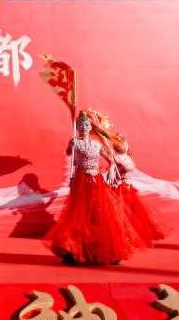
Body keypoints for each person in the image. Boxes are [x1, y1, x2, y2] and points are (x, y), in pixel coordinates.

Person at [42, 111, 146, 265]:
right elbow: (69, 153)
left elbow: (111, 160)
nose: (83, 127)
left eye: (86, 125)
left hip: (96, 181)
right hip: (81, 181)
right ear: (77, 127)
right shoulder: (75, 142)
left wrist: (111, 170)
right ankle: (70, 251)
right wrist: (71, 145)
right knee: (78, 217)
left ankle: (110, 251)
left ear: (91, 127)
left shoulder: (97, 144)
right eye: (80, 125)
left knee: (102, 214)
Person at [111, 137, 168, 246]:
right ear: (117, 146)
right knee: (122, 213)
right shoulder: (116, 157)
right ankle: (123, 237)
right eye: (122, 144)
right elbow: (114, 167)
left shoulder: (128, 156)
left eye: (126, 143)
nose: (125, 145)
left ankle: (132, 236)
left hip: (129, 186)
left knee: (132, 212)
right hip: (120, 187)